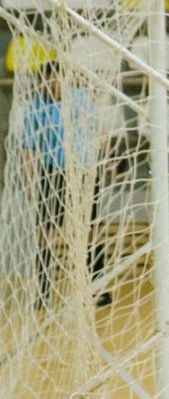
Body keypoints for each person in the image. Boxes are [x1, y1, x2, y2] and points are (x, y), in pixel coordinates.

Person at [22, 61, 110, 308]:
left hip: (82, 171)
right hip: (52, 173)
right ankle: (43, 293)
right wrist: (30, 183)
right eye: (48, 80)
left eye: (58, 80)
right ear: (42, 82)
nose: (53, 85)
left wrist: (103, 152)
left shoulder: (80, 99)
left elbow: (100, 129)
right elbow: (28, 150)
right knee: (45, 233)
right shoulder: (35, 108)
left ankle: (96, 289)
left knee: (92, 230)